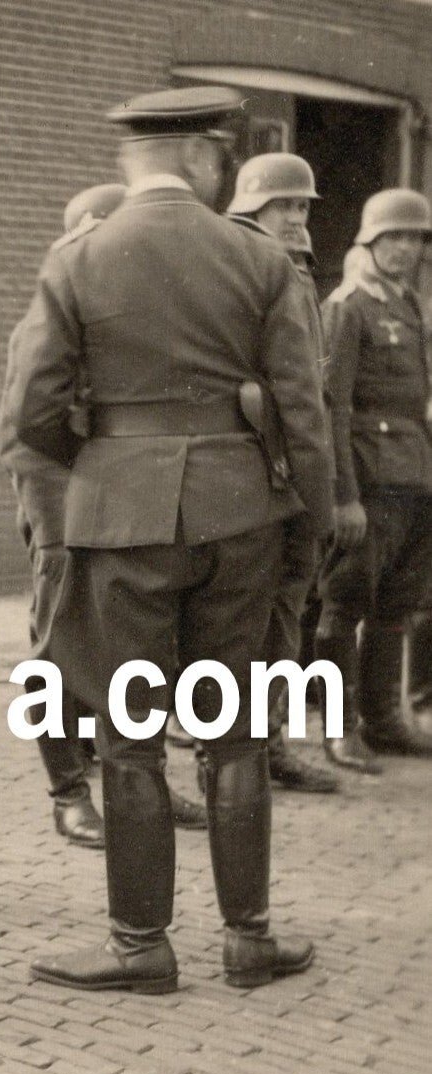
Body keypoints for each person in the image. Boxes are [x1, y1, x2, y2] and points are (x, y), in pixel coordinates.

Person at [3, 86, 333, 993]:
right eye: (218, 155)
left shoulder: (77, 258)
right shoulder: (258, 258)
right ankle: (248, 940)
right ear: (196, 156)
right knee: (233, 733)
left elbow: (29, 412)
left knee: (130, 737)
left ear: (137, 158)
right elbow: (301, 410)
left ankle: (140, 945)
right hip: (241, 517)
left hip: (121, 523)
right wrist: (311, 521)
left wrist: (107, 464)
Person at [0, 182, 207, 847]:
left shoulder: (123, 316)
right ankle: (67, 793)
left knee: (131, 649)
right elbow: (24, 430)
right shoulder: (50, 313)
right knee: (56, 650)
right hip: (63, 503)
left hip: (117, 506)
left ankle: (138, 782)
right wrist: (63, 516)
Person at [225, 154, 339, 794]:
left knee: (284, 613)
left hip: (291, 469)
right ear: (252, 208)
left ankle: (265, 742)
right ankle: (241, 752)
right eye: (283, 206)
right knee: (252, 619)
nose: (296, 217)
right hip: (260, 466)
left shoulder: (295, 270)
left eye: (302, 206)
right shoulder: (245, 266)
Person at [316, 188, 432, 767]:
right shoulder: (349, 306)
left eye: (414, 239)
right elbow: (332, 407)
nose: (406, 248)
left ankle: (384, 719)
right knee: (346, 602)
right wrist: (344, 497)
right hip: (368, 478)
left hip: (415, 477)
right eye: (394, 237)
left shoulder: (409, 305)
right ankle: (340, 729)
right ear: (370, 240)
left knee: (398, 602)